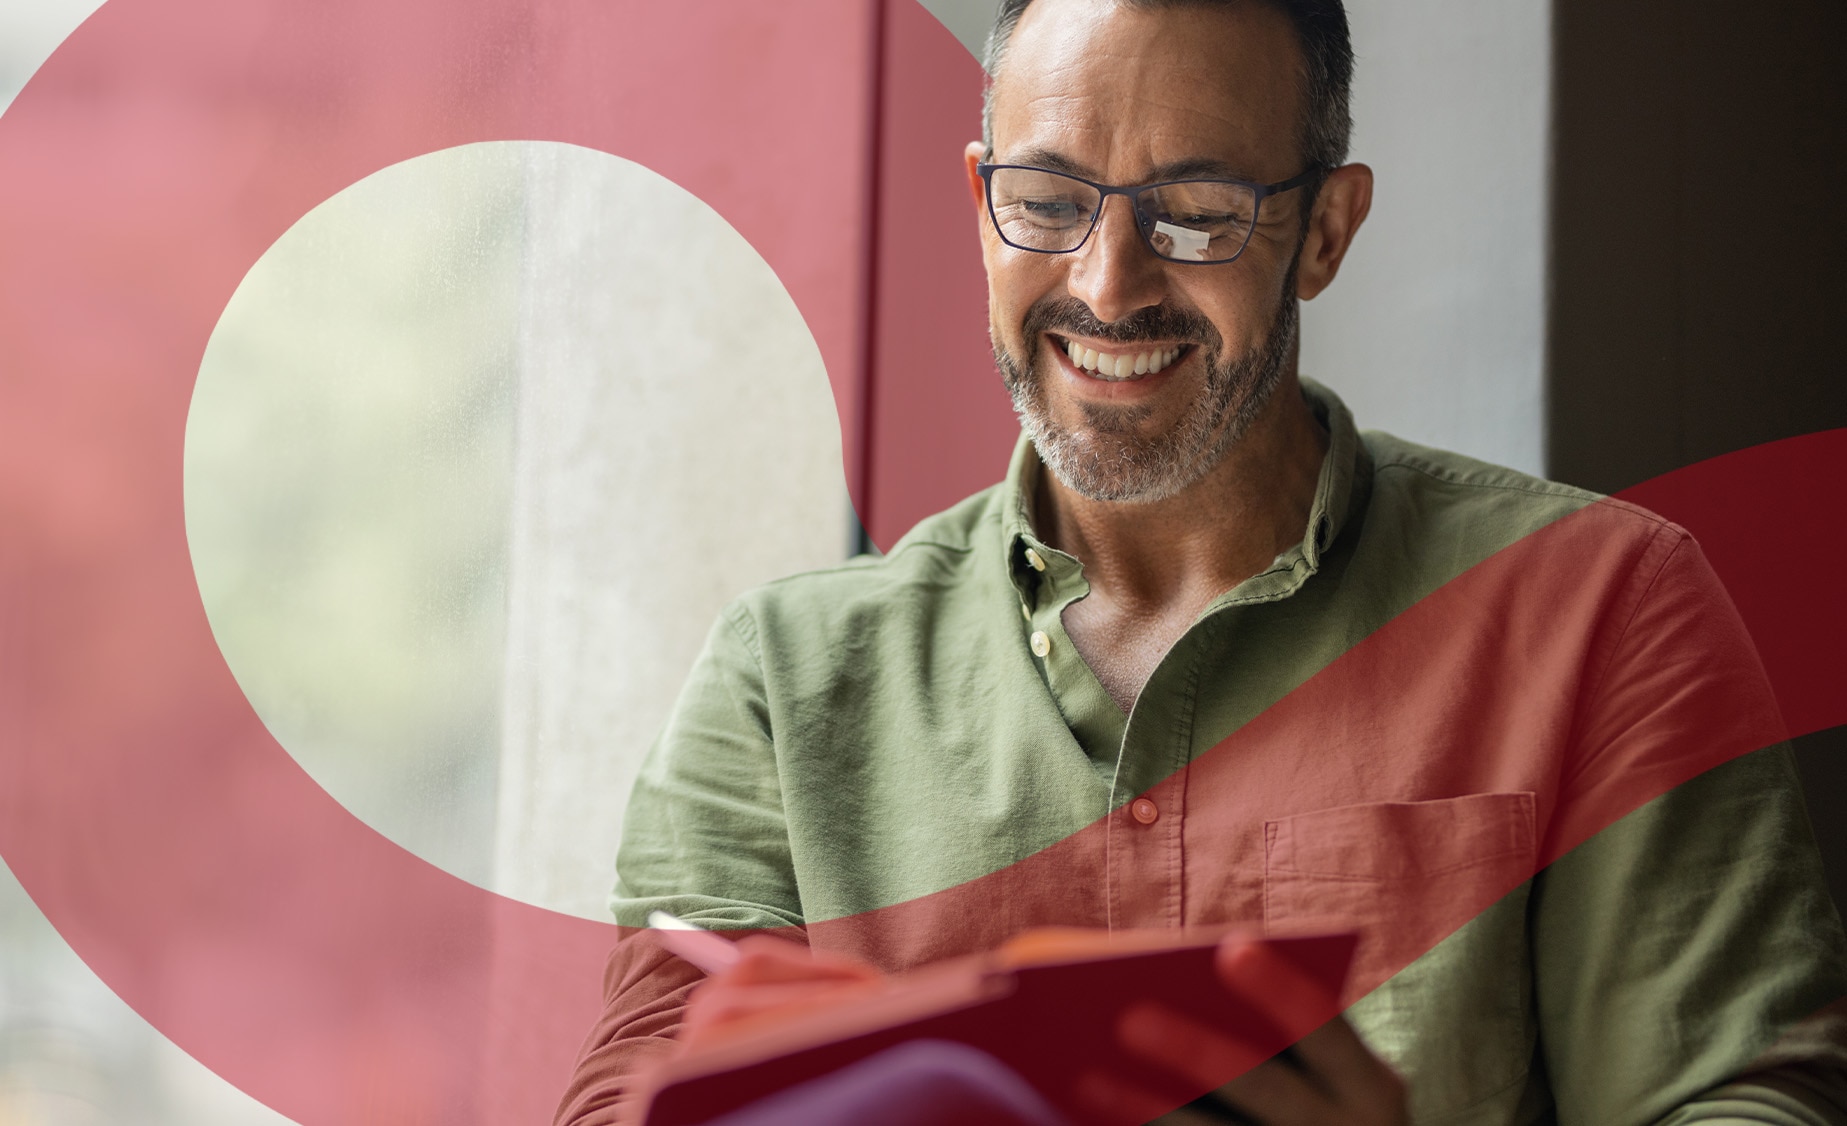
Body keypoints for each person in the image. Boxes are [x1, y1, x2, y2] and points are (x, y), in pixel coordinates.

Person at [555, 1, 1847, 1122]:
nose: (1108, 286)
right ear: (981, 206)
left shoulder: (1606, 612)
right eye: (1049, 201)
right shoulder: (783, 684)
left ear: (1327, 232)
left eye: (1199, 213)